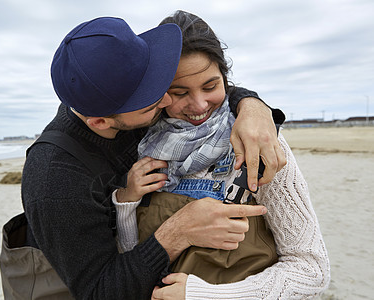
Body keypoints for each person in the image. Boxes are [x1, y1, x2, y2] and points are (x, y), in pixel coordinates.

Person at [2, 16, 286, 299]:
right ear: (100, 122)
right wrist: (177, 232)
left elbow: (203, 85)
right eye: (152, 100)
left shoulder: (116, 95)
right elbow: (99, 292)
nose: (165, 101)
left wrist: (252, 108)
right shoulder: (55, 180)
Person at [113, 11, 330, 300]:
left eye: (210, 86)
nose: (199, 104)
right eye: (179, 92)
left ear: (225, 79)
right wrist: (126, 202)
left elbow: (312, 270)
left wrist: (202, 295)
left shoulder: (258, 143)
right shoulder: (144, 148)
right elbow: (131, 257)